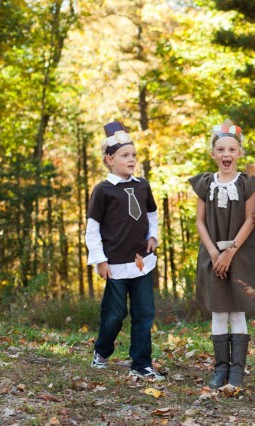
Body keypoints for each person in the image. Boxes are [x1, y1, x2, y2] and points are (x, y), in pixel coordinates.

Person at [86, 121, 164, 381]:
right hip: (116, 263)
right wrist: (99, 260)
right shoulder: (103, 191)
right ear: (109, 159)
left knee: (144, 313)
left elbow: (151, 213)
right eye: (125, 155)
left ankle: (141, 363)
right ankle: (102, 351)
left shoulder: (142, 185)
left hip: (142, 260)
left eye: (133, 155)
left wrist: (153, 235)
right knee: (115, 315)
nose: (132, 160)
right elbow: (92, 228)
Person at [188, 119, 255, 389]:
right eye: (221, 150)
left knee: (237, 312)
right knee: (219, 312)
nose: (226, 155)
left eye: (232, 150)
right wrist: (213, 252)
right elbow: (199, 221)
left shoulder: (247, 184)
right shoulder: (205, 183)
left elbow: (250, 219)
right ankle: (220, 369)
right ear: (213, 154)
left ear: (239, 153)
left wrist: (229, 253)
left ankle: (237, 372)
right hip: (212, 254)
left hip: (240, 255)